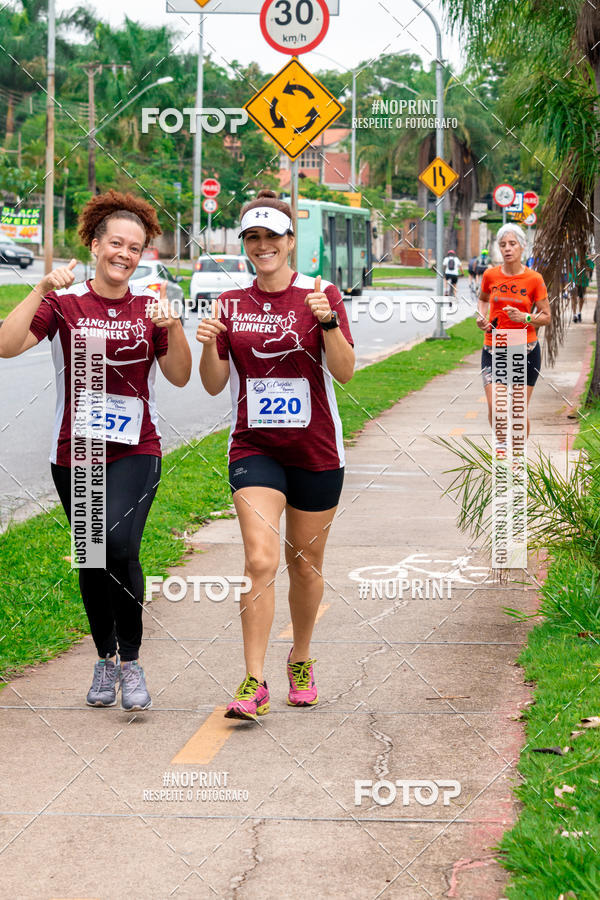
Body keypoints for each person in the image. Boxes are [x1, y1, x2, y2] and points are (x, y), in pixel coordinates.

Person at [0, 189, 192, 710]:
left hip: (137, 449)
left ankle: (131, 662)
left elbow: (179, 375)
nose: (124, 254)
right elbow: (6, 343)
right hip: (76, 452)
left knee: (120, 545)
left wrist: (173, 327)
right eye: (115, 243)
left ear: (143, 253)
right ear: (94, 242)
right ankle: (105, 659)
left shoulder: (150, 307)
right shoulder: (64, 303)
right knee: (92, 558)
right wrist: (40, 288)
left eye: (135, 247)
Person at [196, 189, 355, 721]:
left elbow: (346, 371)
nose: (263, 245)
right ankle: (253, 680)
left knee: (305, 567)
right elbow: (215, 385)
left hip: (315, 450)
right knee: (259, 560)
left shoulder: (320, 293)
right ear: (246, 245)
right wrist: (208, 343)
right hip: (254, 448)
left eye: (273, 236)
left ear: (291, 242)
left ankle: (301, 658)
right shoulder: (231, 304)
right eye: (253, 238)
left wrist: (328, 322)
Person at [477, 223, 551, 449]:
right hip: (494, 348)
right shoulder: (490, 275)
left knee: (517, 411)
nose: (507, 249)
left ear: (522, 247)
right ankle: (501, 451)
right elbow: (483, 299)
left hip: (525, 350)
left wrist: (525, 318)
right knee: (497, 408)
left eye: (512, 244)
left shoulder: (534, 279)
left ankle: (517, 458)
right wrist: (481, 318)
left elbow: (546, 316)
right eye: (503, 245)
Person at [569, 253, 594, 323]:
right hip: (573, 281)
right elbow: (569, 266)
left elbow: (591, 268)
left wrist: (584, 266)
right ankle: (574, 315)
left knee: (581, 298)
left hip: (583, 281)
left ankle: (579, 313)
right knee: (573, 297)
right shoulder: (573, 256)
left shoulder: (587, 257)